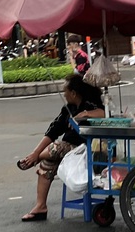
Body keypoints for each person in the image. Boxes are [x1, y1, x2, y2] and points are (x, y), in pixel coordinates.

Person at [16, 74, 105, 222]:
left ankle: (34, 160)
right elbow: (52, 131)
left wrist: (85, 114)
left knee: (55, 148)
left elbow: (103, 113)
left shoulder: (90, 104)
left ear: (73, 93)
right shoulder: (67, 109)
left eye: (65, 91)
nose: (64, 94)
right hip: (69, 150)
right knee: (47, 164)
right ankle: (41, 207)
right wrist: (36, 151)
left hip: (87, 150)